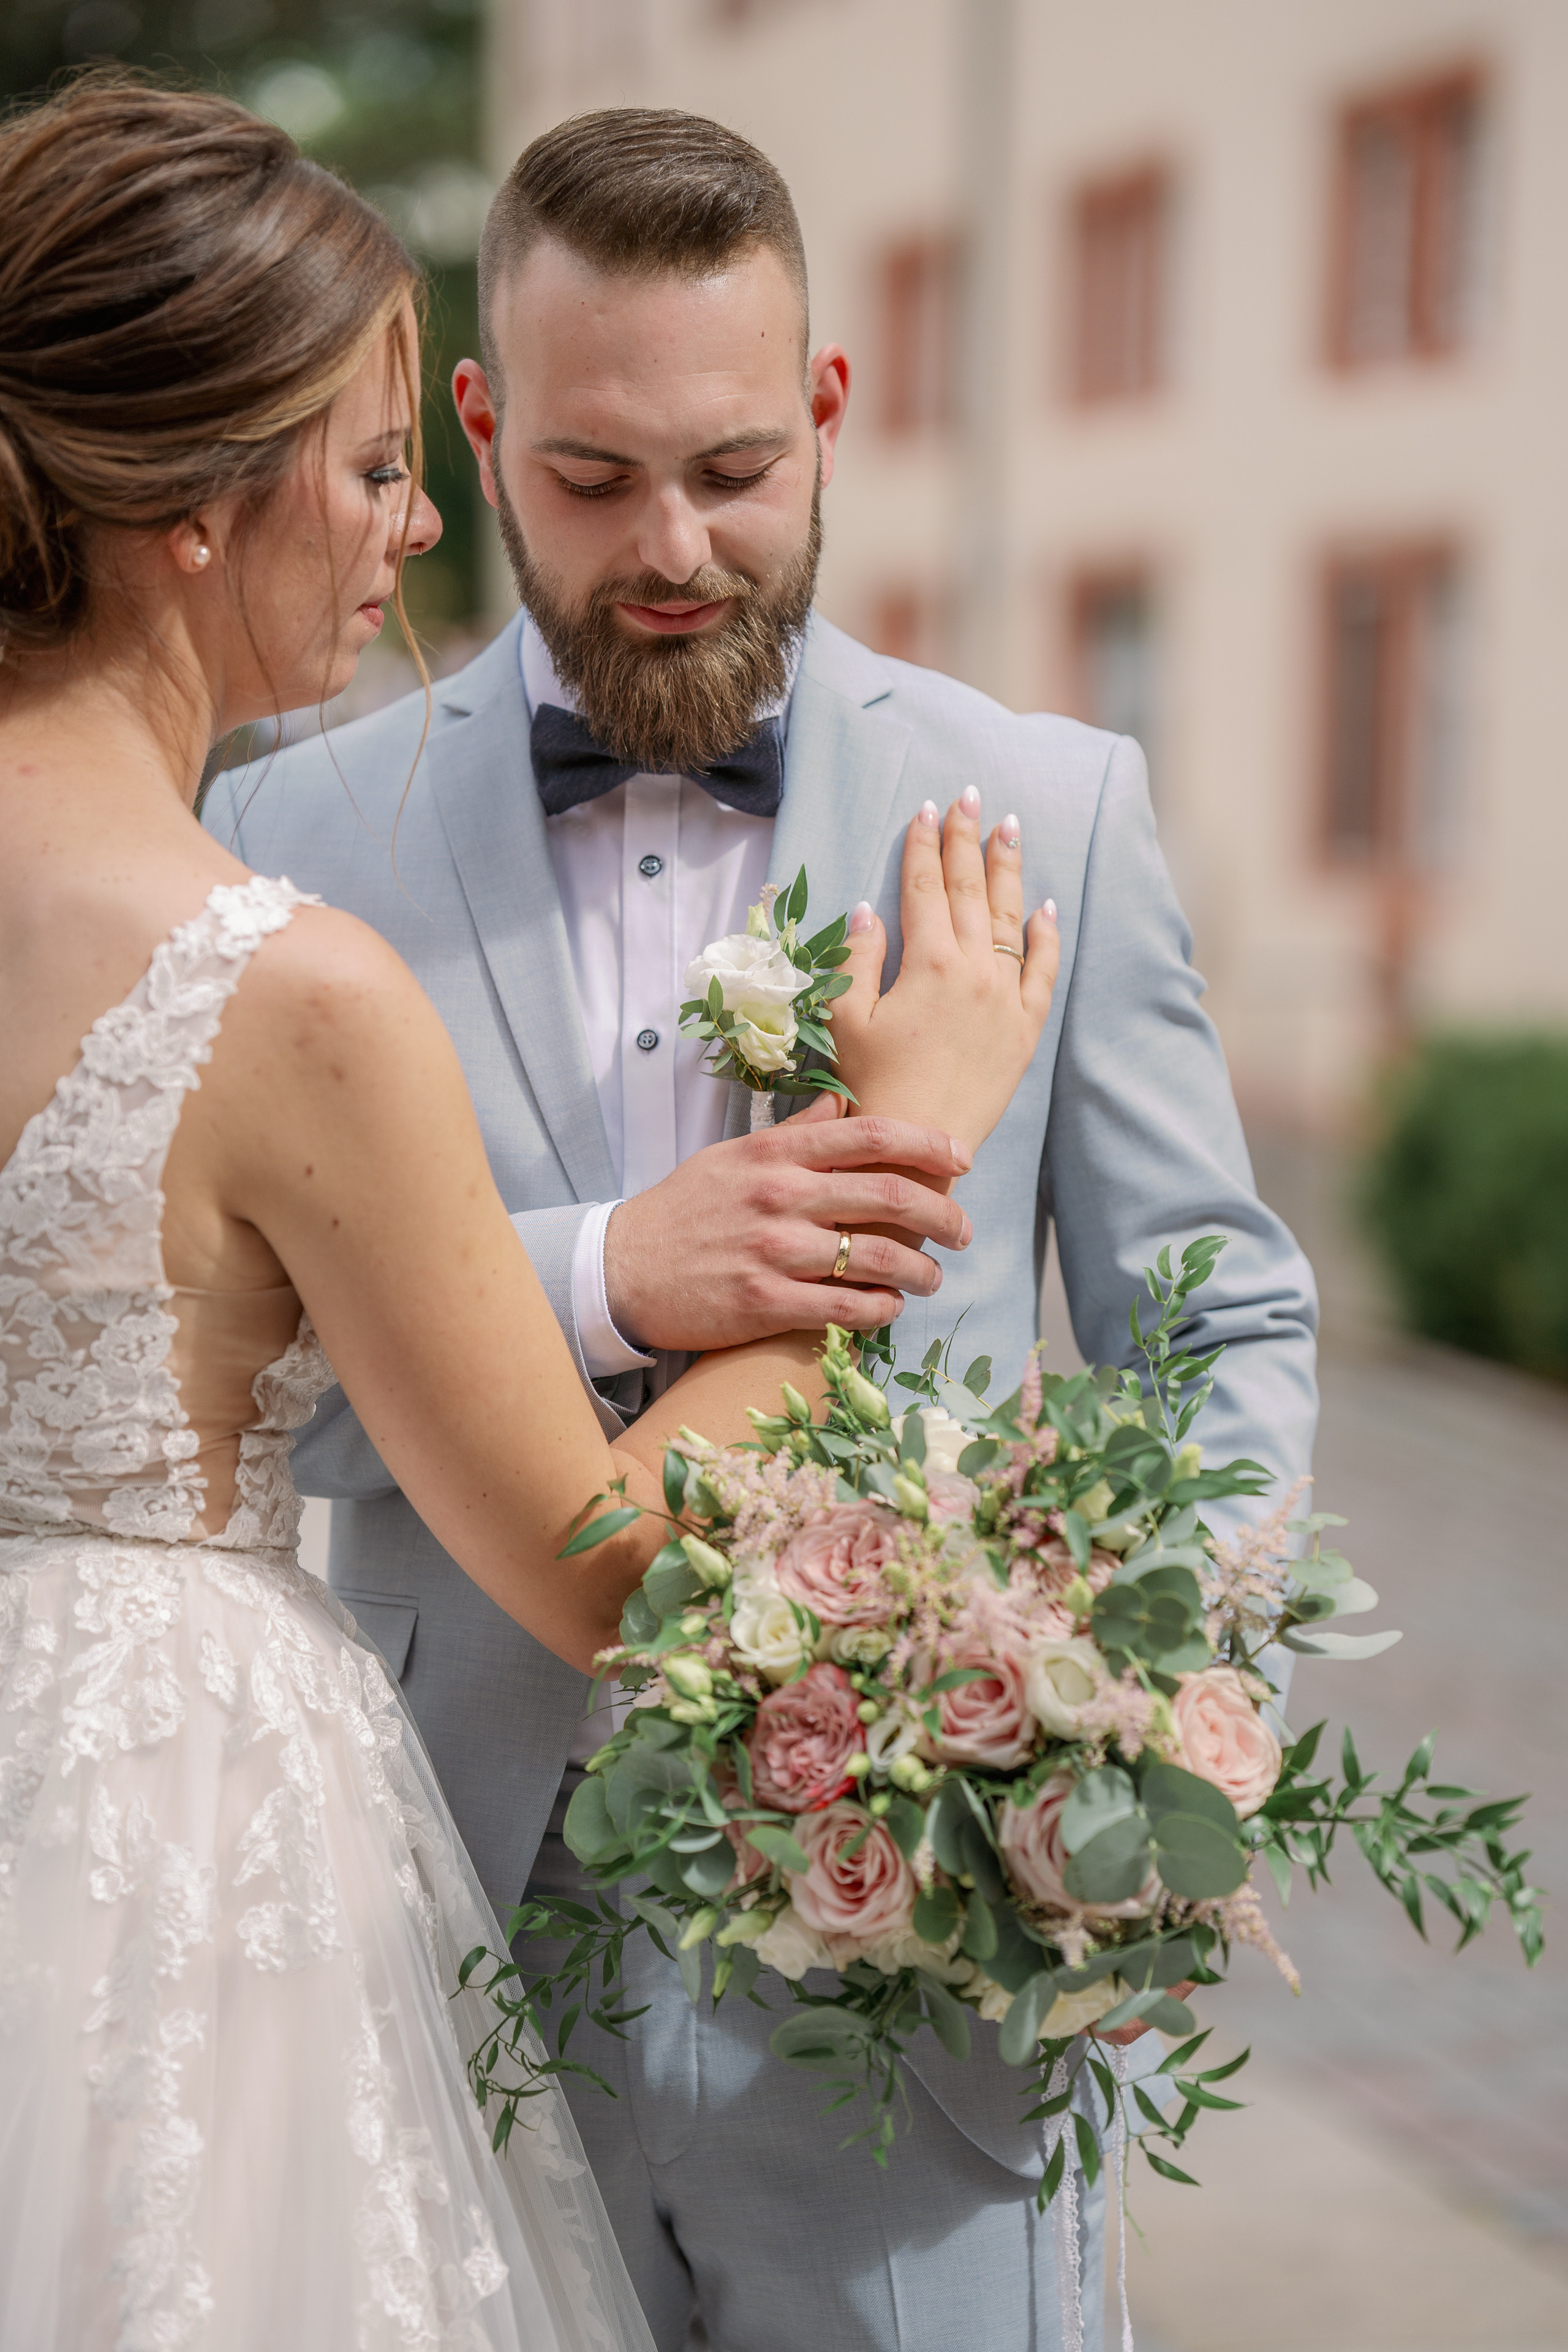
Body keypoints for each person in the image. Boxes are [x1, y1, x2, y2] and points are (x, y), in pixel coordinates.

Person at [211, 107, 1319, 2352]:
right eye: (597, 480)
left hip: (940, 1969)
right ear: (484, 426)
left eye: (732, 468)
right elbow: (248, 1398)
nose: (677, 549)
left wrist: (1165, 1735)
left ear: (828, 411)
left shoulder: (1055, 811)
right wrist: (603, 1264)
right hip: (453, 1932)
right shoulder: (286, 820)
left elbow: (1223, 1320)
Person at [0, 78, 1055, 2351]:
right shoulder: (279, 974)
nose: (408, 535)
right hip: (185, 1850)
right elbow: (604, 1578)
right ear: (199, 501)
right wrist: (906, 1152)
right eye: (380, 468)